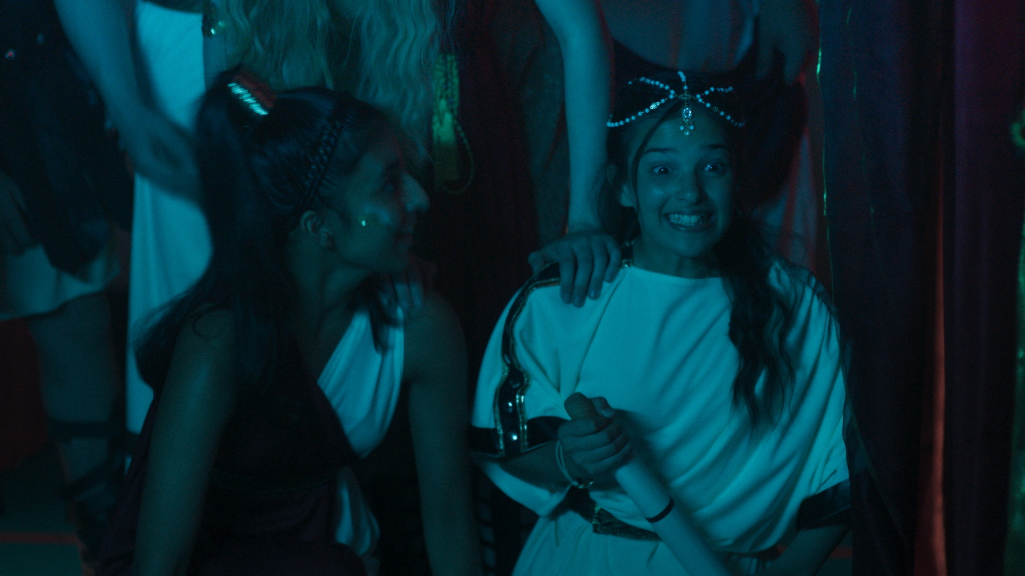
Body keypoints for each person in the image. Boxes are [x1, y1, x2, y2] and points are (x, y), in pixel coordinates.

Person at [96, 71, 479, 576]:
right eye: (389, 184)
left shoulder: (423, 329)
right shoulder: (218, 344)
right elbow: (160, 563)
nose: (420, 198)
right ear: (319, 227)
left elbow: (451, 528)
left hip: (339, 553)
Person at [470, 70, 849, 575]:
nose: (690, 193)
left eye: (712, 167)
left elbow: (846, 463)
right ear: (624, 187)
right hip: (591, 558)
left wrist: (792, 570)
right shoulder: (568, 295)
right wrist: (570, 459)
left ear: (736, 179)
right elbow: (505, 440)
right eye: (662, 170)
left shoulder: (798, 309)